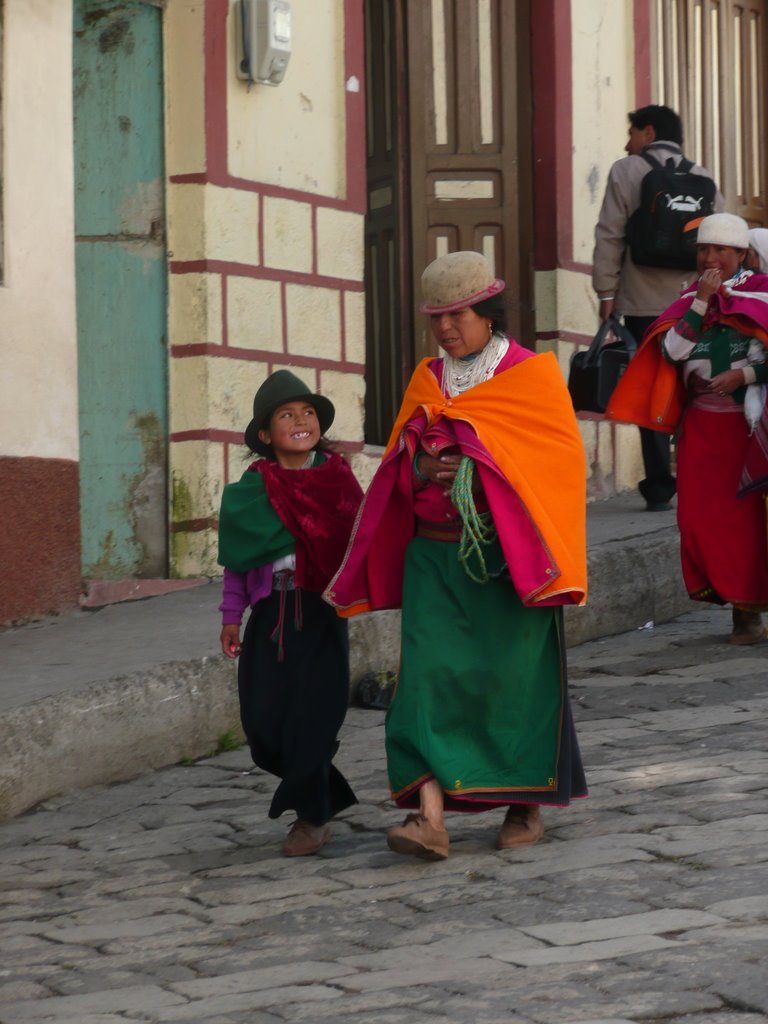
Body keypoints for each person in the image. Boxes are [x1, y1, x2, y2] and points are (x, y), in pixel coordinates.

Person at [325, 251, 588, 860]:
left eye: (457, 314)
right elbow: (398, 463)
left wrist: (483, 466)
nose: (445, 328)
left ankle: (524, 803)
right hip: (433, 562)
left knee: (513, 685)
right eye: (436, 317)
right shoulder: (428, 380)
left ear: (488, 312)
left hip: (507, 566)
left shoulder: (531, 376)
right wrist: (421, 464)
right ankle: (431, 817)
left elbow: (557, 465)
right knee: (425, 687)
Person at [217, 370, 363, 856]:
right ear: (265, 434)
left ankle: (312, 817)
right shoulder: (251, 491)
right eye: (286, 415)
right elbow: (239, 560)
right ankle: (325, 791)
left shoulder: (337, 480)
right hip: (270, 616)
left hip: (320, 614)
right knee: (264, 726)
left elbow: (359, 540)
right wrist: (231, 615)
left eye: (308, 413)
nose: (301, 421)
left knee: (314, 719)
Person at [607, 213, 768, 644]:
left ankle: (746, 613)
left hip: (751, 432)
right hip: (701, 430)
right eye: (702, 249)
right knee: (699, 520)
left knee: (748, 522)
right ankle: (731, 597)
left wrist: (745, 378)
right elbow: (674, 349)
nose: (709, 257)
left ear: (741, 254)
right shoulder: (687, 300)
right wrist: (702, 302)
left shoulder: (763, 296)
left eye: (719, 250)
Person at [593, 104, 724, 511]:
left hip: (642, 300)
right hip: (693, 299)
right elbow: (719, 238)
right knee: (695, 382)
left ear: (648, 132)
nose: (627, 141)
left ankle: (659, 484)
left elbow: (610, 234)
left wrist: (605, 292)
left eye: (631, 132)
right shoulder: (702, 176)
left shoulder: (625, 170)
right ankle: (699, 470)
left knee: (653, 386)